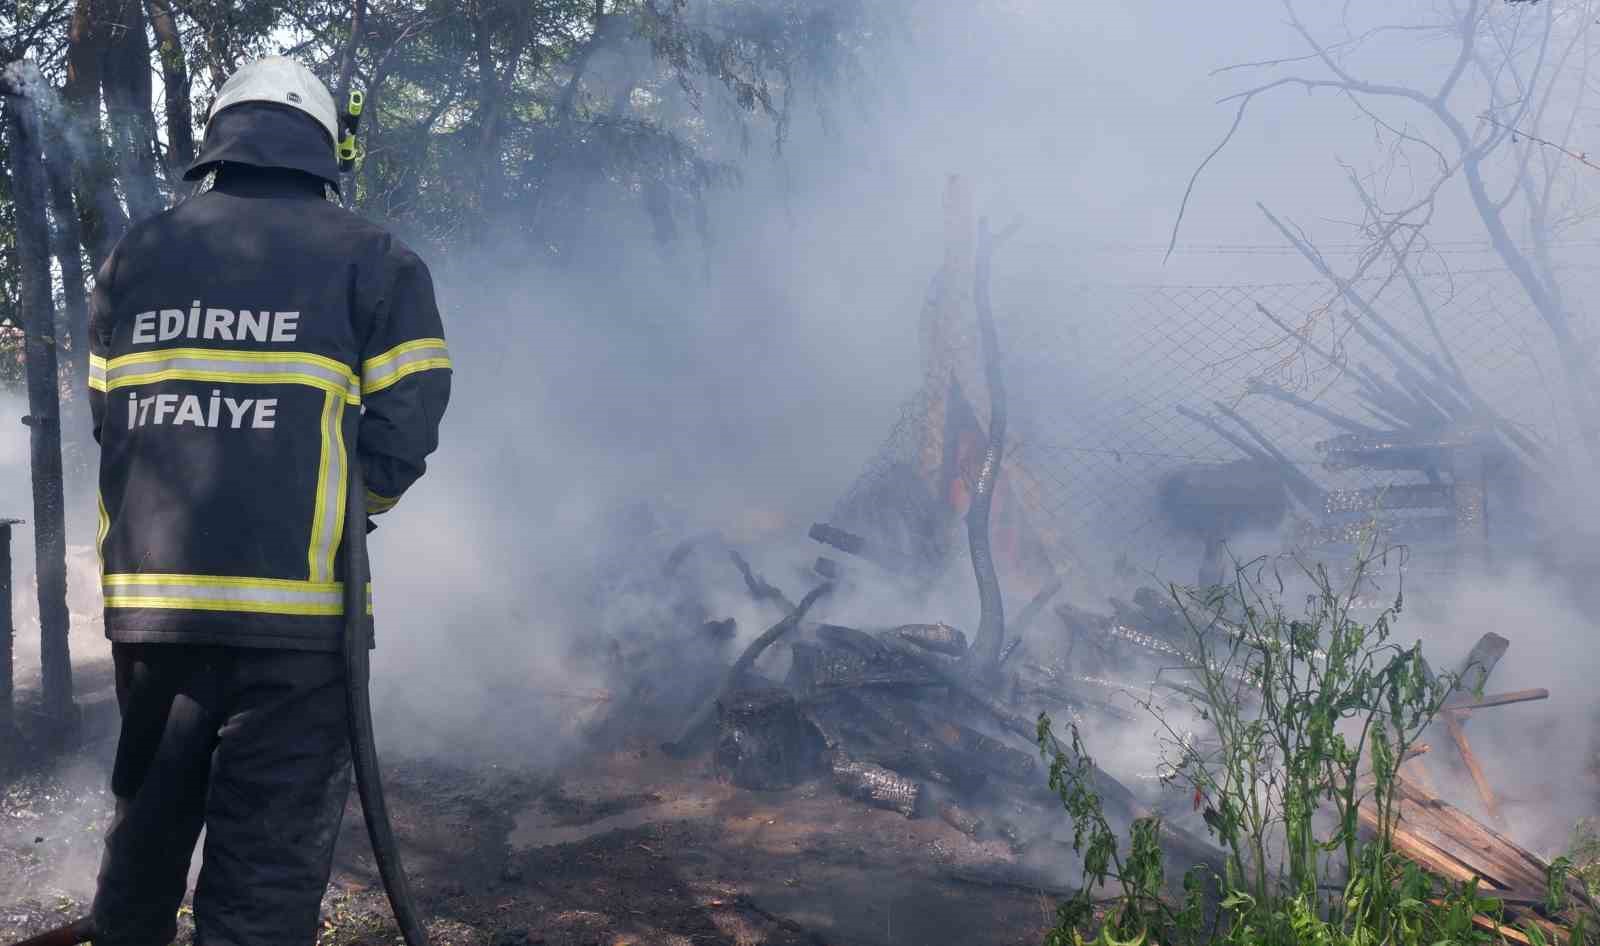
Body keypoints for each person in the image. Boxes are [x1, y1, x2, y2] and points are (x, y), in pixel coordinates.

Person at [85, 56, 450, 946]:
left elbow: (112, 422)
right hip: (297, 629)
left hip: (153, 621)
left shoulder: (137, 254)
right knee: (261, 888)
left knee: (141, 858)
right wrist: (331, 510)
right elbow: (409, 423)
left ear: (219, 141)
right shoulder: (373, 258)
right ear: (323, 149)